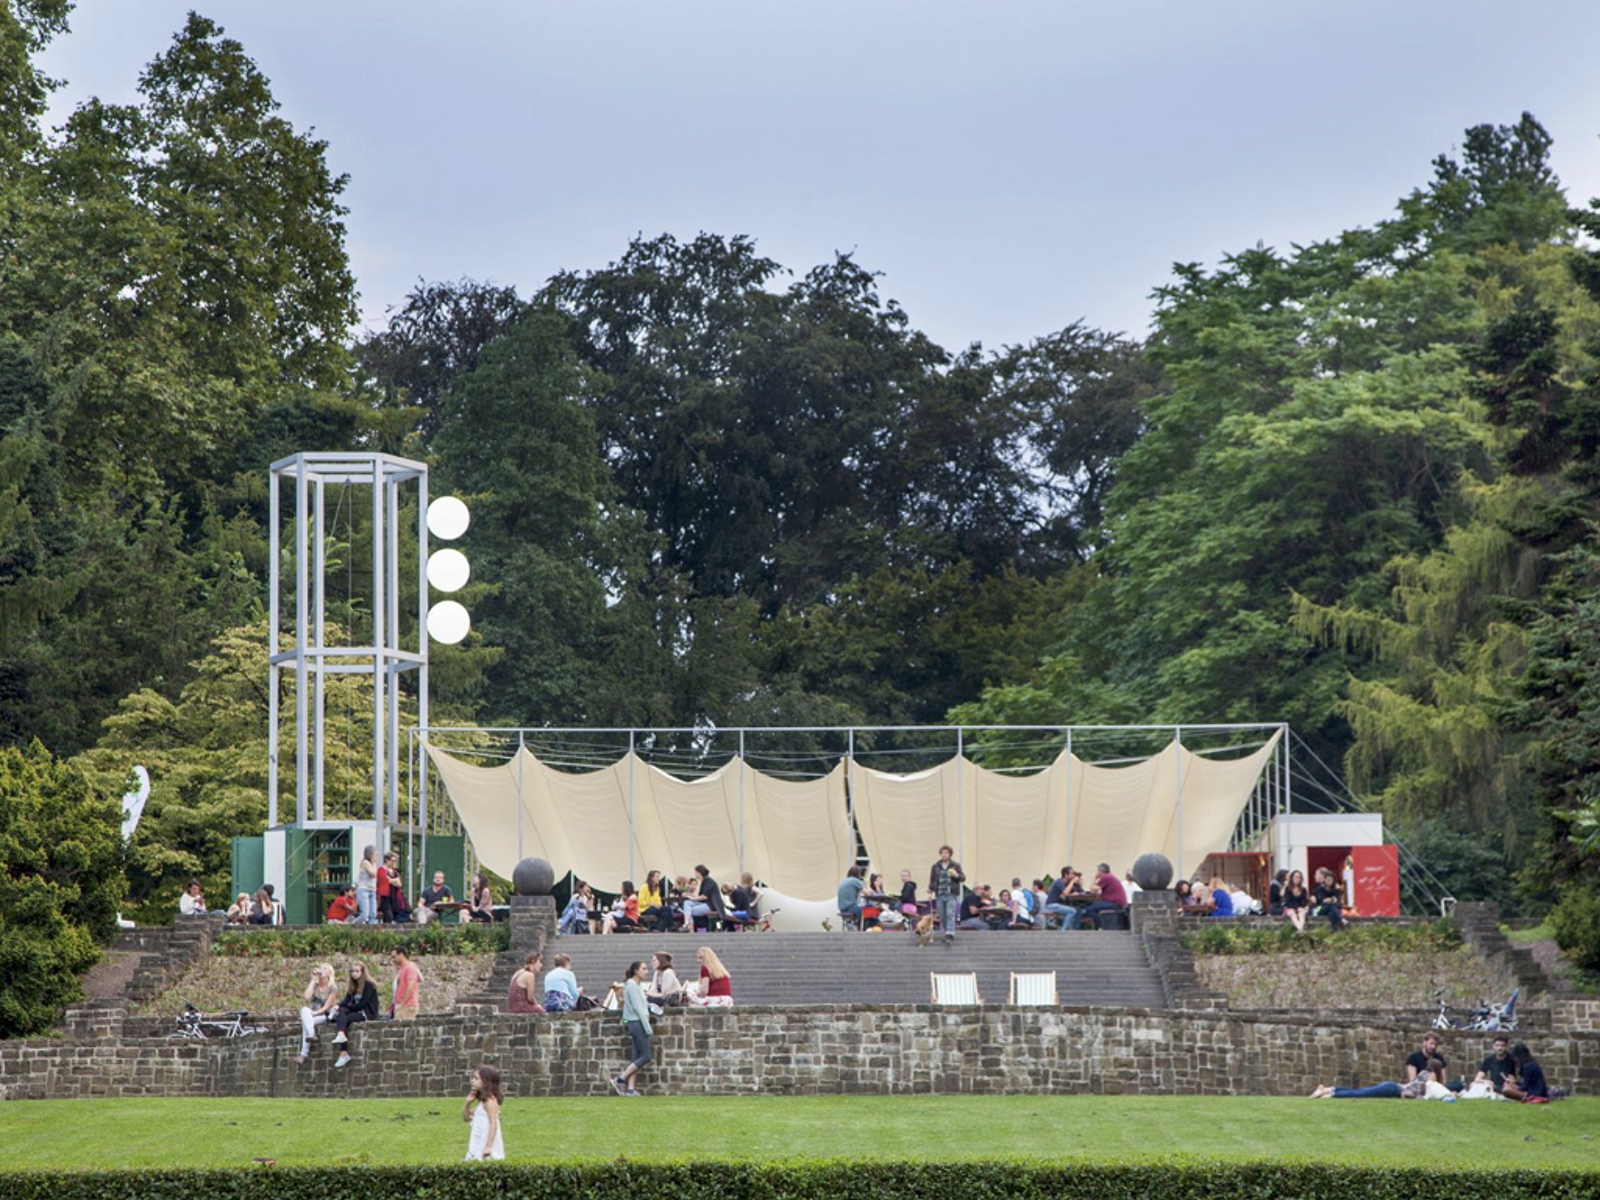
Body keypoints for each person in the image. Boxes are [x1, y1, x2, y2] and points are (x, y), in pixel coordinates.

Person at [610, 960, 653, 1096]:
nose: (647, 971)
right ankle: (620, 1079)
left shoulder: (636, 986)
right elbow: (638, 1008)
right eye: (644, 969)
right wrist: (647, 1027)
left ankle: (630, 1088)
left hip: (635, 1022)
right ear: (636, 971)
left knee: (636, 1057)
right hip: (636, 1022)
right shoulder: (632, 986)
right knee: (645, 1056)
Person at [332, 962, 380, 1069]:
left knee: (345, 1017)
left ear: (362, 972)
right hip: (356, 1010)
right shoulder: (353, 985)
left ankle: (343, 1050)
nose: (354, 974)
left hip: (366, 1013)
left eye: (357, 971)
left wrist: (345, 1008)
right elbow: (347, 1000)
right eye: (352, 971)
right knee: (342, 1014)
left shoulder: (368, 985)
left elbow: (362, 1004)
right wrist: (338, 1006)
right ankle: (342, 1048)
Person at [294, 962, 338, 1064]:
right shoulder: (316, 985)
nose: (322, 970)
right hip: (312, 1014)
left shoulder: (333, 988)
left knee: (306, 1023)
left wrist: (315, 1013)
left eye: (325, 969)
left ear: (329, 974)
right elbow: (307, 997)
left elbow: (327, 1007)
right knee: (304, 1010)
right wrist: (313, 980)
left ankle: (303, 1054)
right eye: (321, 968)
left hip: (324, 1015)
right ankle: (311, 1034)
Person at [462, 1064, 505, 1160]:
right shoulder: (482, 1102)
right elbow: (466, 1118)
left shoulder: (490, 1101)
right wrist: (467, 1103)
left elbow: (493, 1123)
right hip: (478, 1139)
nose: (472, 1081)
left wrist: (488, 1146)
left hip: (485, 1141)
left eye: (476, 1078)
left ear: (486, 1082)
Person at [929, 845, 965, 942]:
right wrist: (930, 890)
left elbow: (962, 878)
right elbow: (932, 880)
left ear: (950, 854)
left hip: (951, 893)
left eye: (946, 853)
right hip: (940, 893)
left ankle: (950, 932)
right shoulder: (936, 866)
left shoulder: (955, 865)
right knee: (942, 914)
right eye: (943, 853)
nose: (944, 855)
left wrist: (956, 875)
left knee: (950, 913)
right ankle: (947, 931)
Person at [681, 865, 726, 932]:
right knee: (687, 903)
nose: (695, 874)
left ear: (699, 872)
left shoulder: (708, 881)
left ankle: (690, 929)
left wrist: (692, 898)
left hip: (711, 905)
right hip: (705, 903)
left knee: (687, 912)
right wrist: (691, 896)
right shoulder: (704, 881)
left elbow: (705, 896)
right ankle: (686, 924)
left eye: (695, 872)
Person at [1083, 863, 1129, 929]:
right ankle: (1100, 925)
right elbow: (1096, 891)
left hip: (1115, 903)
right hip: (1117, 903)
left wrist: (1094, 878)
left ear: (1100, 871)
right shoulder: (1110, 876)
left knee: (1088, 910)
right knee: (1094, 906)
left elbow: (1093, 888)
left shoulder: (1106, 877)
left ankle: (1101, 925)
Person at [391, 946, 421, 1021]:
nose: (393, 960)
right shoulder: (403, 968)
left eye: (394, 957)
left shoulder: (409, 968)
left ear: (401, 955)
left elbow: (411, 985)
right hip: (403, 1005)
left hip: (407, 1006)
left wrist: (402, 1004)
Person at [356, 845, 379, 925]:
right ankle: (350, 926)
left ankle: (371, 931)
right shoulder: (365, 862)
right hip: (364, 889)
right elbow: (373, 874)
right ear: (370, 854)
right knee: (364, 914)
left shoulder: (373, 864)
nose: (376, 857)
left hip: (372, 889)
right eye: (375, 855)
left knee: (373, 914)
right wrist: (373, 864)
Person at [376, 849, 394, 923]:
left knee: (388, 914)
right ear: (387, 860)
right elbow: (386, 880)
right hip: (383, 895)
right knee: (388, 915)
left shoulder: (390, 871)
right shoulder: (381, 870)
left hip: (389, 895)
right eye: (392, 861)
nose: (393, 863)